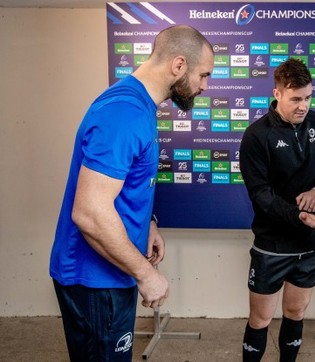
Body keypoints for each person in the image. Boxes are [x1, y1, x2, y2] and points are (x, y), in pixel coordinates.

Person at [49, 25, 213, 361]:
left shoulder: (139, 105)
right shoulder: (124, 113)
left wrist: (147, 223)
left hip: (110, 272)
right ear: (179, 65)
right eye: (204, 75)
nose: (204, 87)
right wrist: (145, 273)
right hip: (95, 280)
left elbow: (123, 187)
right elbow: (90, 212)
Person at [239, 58, 315, 361]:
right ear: (277, 94)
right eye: (296, 98)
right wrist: (297, 215)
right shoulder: (256, 136)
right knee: (260, 319)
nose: (304, 105)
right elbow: (260, 194)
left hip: (310, 245)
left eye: (309, 97)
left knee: (295, 311)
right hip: (272, 246)